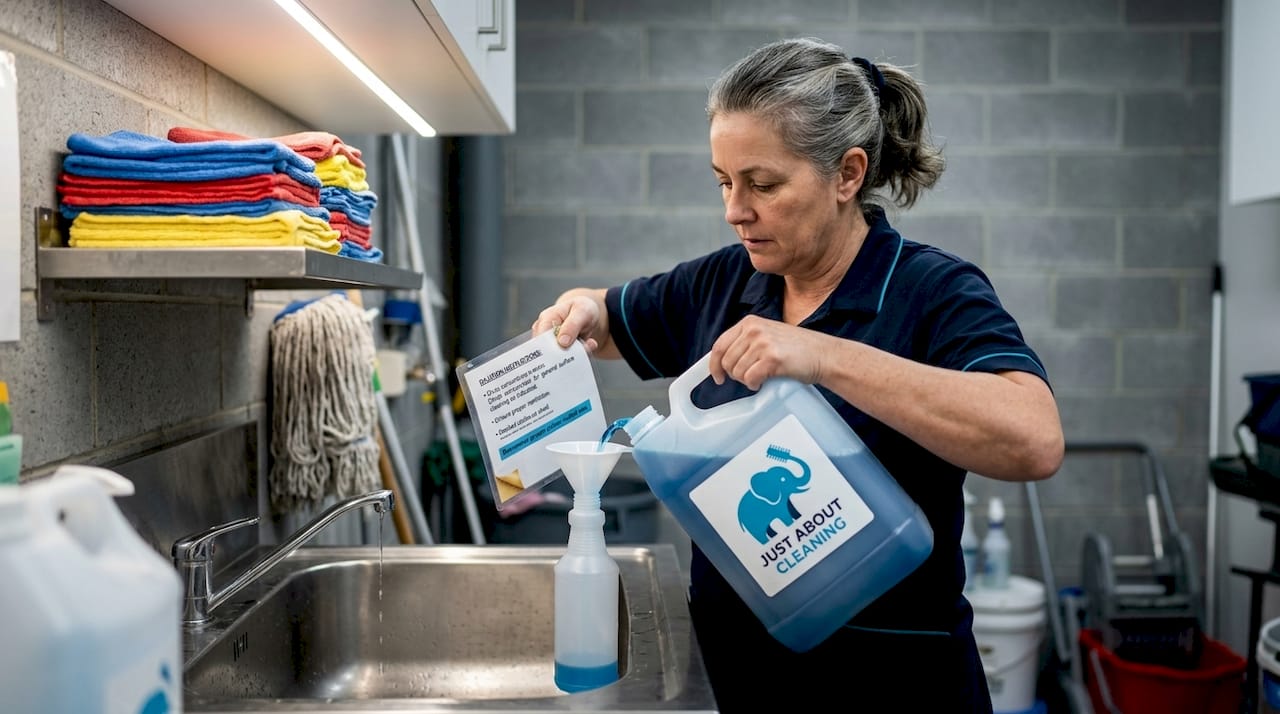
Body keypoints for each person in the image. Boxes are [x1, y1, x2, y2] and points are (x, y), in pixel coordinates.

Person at [532, 37, 1064, 712]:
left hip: (895, 686)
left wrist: (821, 356)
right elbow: (611, 319)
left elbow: (1033, 438)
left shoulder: (933, 291)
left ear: (847, 174)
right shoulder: (726, 282)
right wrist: (581, 309)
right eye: (724, 182)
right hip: (741, 681)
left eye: (763, 184)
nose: (735, 210)